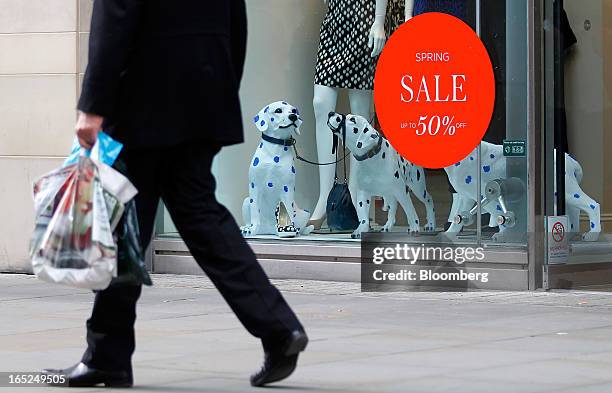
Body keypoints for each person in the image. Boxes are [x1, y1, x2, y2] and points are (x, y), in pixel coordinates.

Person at [41, 0, 308, 388]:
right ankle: (278, 327)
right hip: (204, 92)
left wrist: (92, 106)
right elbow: (236, 21)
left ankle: (107, 355)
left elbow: (114, 19)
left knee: (127, 227)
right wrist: (219, 89)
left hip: (144, 101)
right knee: (194, 216)